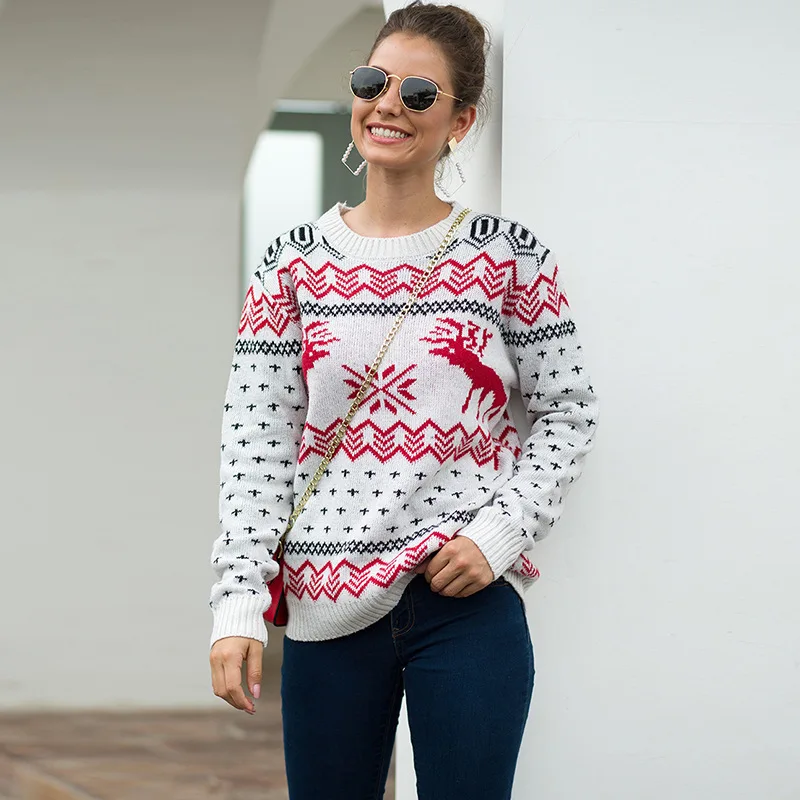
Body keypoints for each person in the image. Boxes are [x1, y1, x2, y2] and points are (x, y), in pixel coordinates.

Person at [208, 3, 599, 798]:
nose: (388, 105)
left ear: (461, 121)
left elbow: (569, 411)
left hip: (466, 605)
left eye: (419, 94)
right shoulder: (290, 265)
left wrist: (497, 534)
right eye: (372, 82)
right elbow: (256, 440)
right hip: (326, 605)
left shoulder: (508, 257)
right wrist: (238, 604)